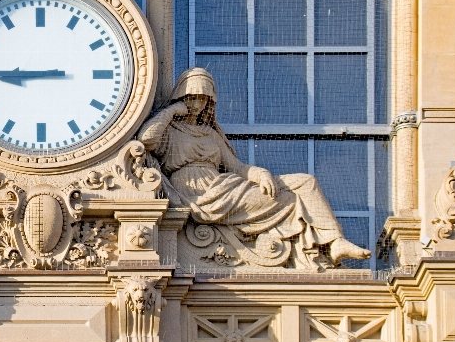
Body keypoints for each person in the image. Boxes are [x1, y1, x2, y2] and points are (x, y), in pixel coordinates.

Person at [138, 67, 370, 266]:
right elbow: (145, 140)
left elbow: (236, 167)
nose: (196, 104)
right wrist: (171, 111)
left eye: (202, 99)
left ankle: (335, 242)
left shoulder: (210, 134)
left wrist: (260, 173)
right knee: (288, 200)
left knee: (306, 182)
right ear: (181, 96)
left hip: (223, 186)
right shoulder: (170, 131)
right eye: (192, 97)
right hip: (197, 193)